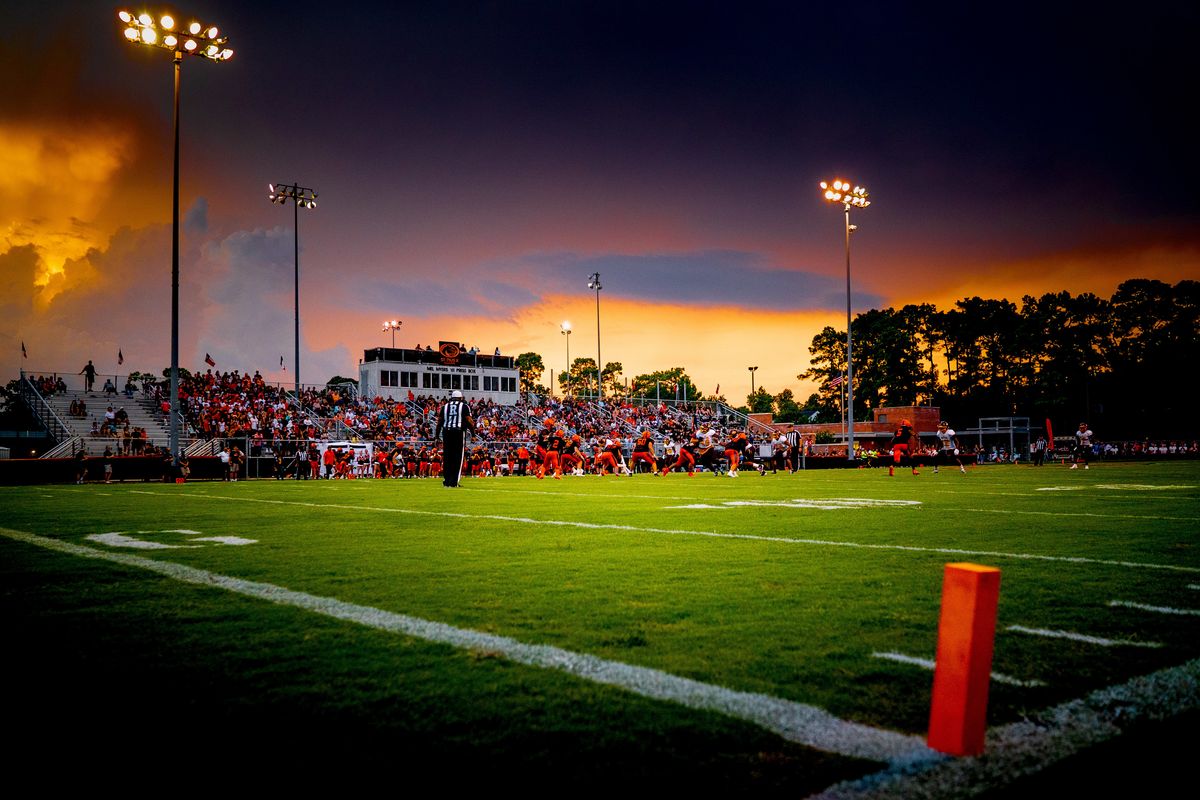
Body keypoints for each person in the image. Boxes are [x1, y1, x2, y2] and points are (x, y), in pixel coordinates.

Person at [436, 389, 475, 487]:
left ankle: (447, 481)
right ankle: (454, 482)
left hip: (446, 432)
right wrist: (473, 434)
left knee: (448, 457)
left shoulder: (445, 407)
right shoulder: (464, 406)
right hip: (458, 432)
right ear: (460, 398)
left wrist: (436, 436)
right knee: (458, 457)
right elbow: (469, 420)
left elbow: (439, 422)